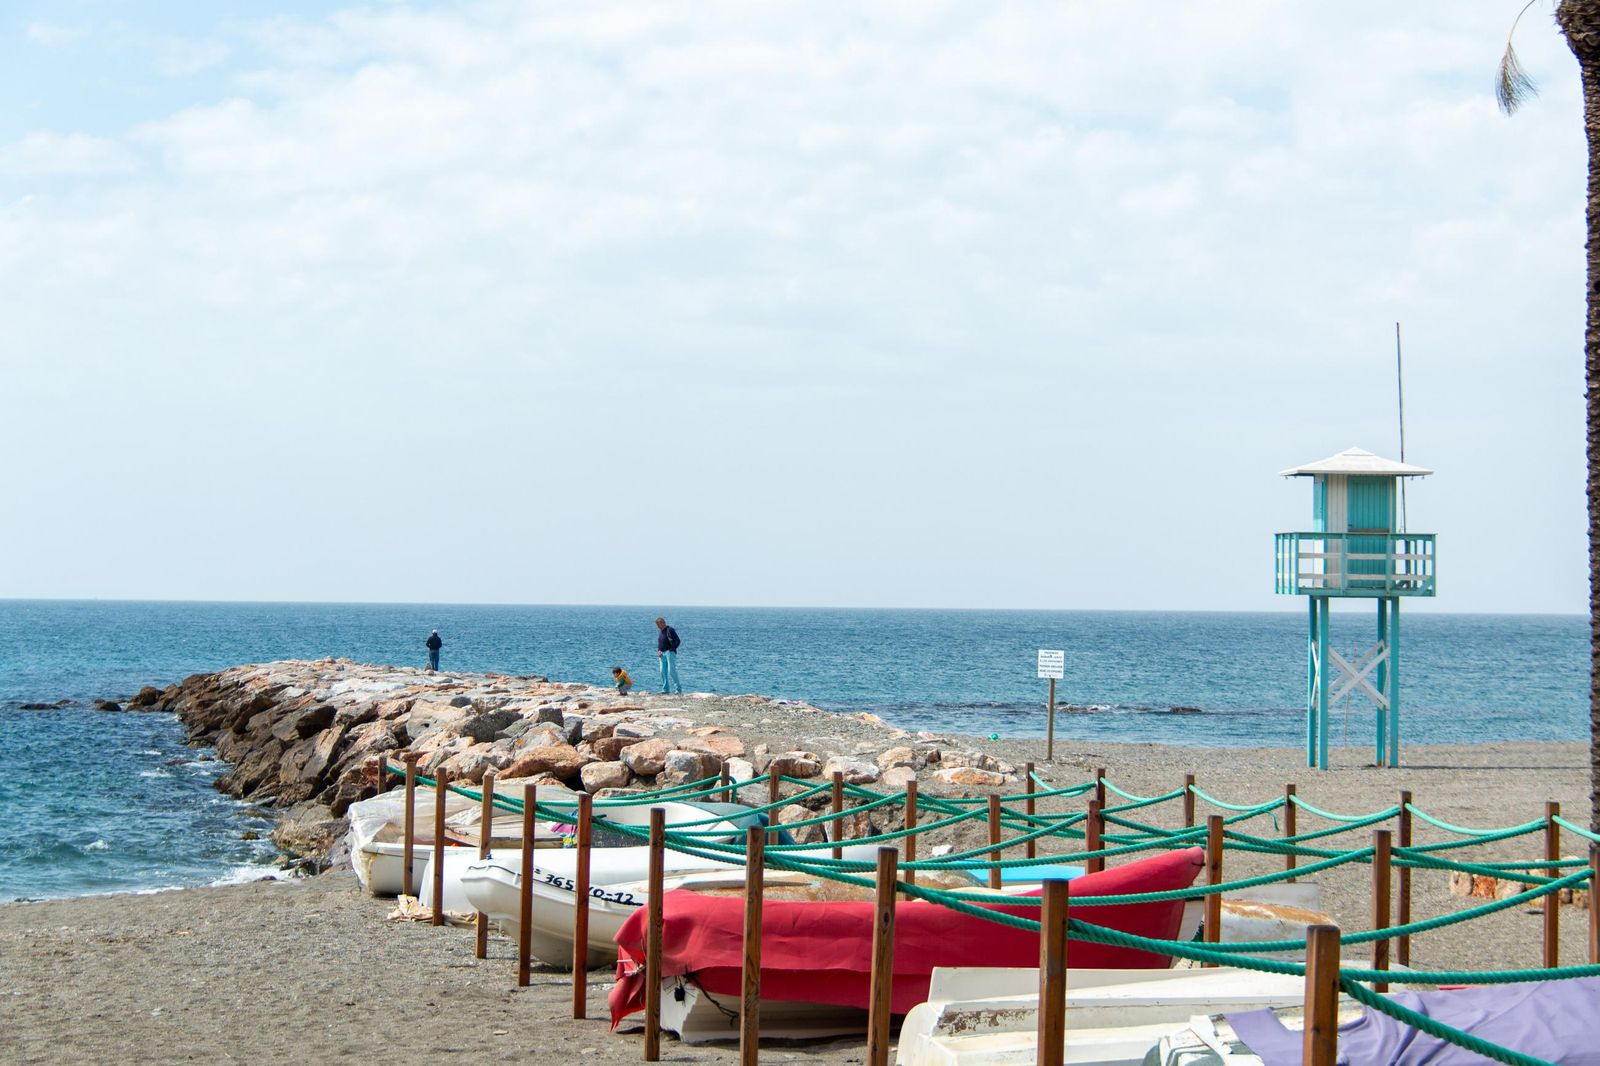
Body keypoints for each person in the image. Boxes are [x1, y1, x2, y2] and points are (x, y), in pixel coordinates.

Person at [654, 616, 682, 694]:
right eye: (657, 625)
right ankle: (665, 690)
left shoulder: (670, 630)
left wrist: (671, 649)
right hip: (661, 654)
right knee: (662, 672)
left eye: (658, 625)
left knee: (671, 671)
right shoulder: (661, 632)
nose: (658, 627)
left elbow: (677, 641)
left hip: (669, 653)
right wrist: (658, 651)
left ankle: (678, 690)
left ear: (663, 623)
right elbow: (661, 643)